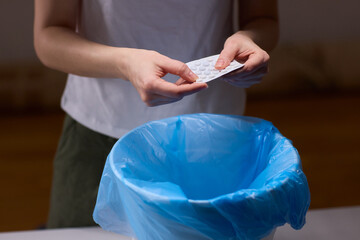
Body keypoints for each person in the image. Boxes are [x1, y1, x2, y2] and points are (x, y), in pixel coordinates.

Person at [34, 0, 278, 228]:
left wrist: (249, 40)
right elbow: (49, 33)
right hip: (97, 137)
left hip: (210, 137)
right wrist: (125, 63)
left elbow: (263, 18)